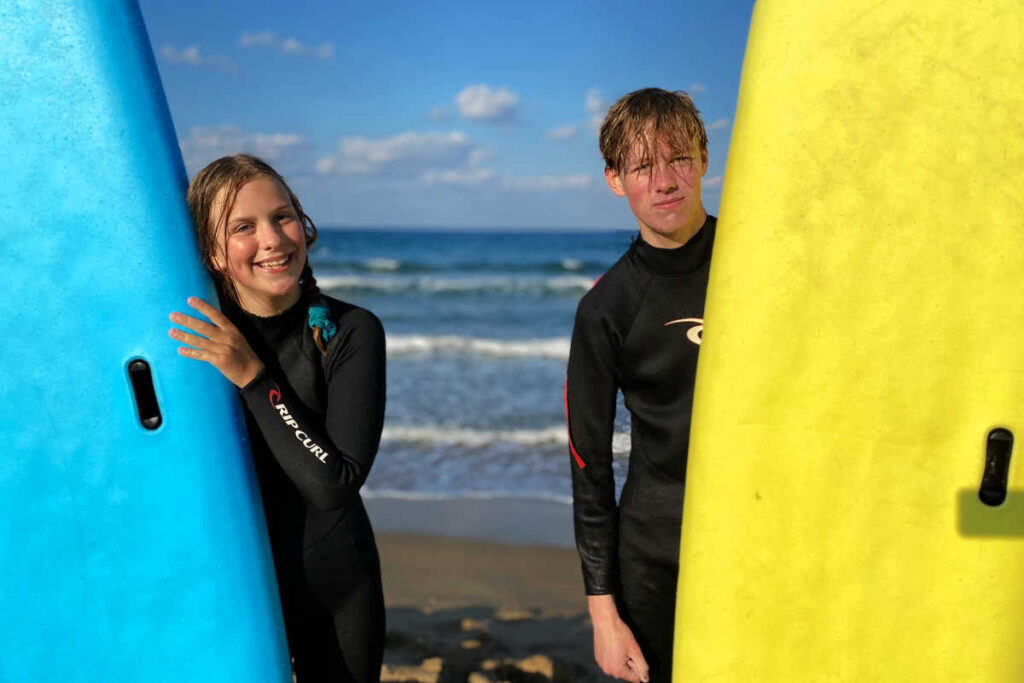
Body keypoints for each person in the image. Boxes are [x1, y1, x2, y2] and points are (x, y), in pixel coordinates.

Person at [168, 154, 386, 683]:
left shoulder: (350, 332)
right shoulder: (193, 340)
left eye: (282, 216)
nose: (272, 238)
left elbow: (335, 482)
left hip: (335, 590)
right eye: (243, 227)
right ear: (213, 253)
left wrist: (254, 378)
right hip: (229, 586)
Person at [565, 88, 714, 682]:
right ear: (614, 180)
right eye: (642, 166)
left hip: (766, 532)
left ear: (703, 158)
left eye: (678, 157)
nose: (664, 181)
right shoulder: (607, 309)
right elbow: (588, 464)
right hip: (658, 553)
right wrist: (604, 613)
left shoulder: (762, 262)